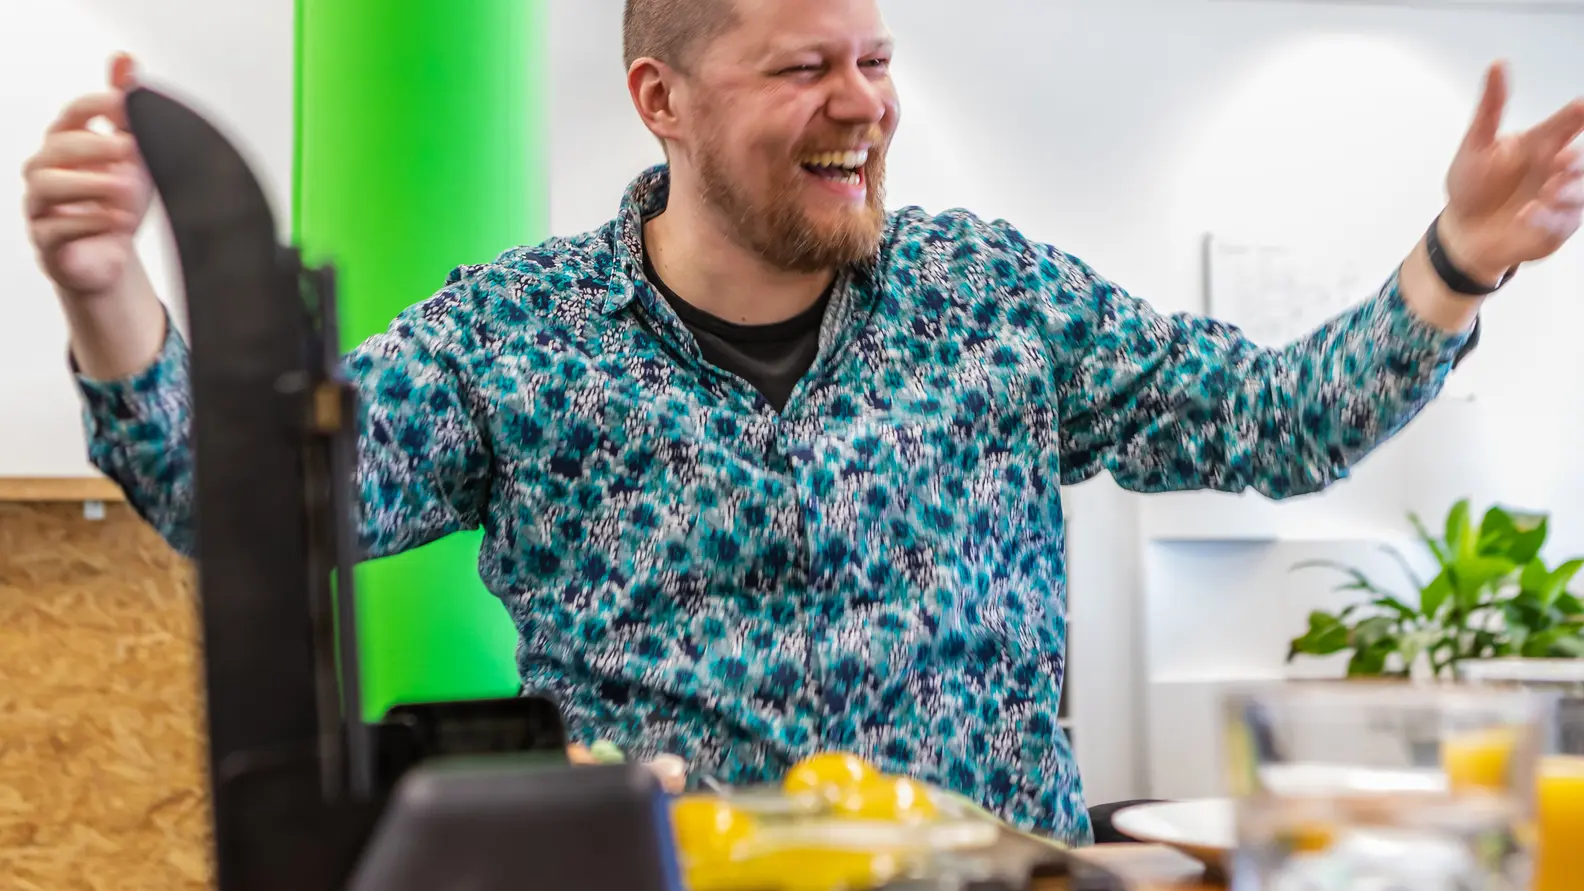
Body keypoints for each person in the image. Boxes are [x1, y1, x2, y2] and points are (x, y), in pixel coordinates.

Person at [21, 0, 1584, 847]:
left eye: (878, 60)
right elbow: (254, 505)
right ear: (663, 99)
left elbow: (1276, 423)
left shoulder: (993, 295)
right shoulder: (516, 333)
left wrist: (1452, 263)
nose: (863, 102)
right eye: (805, 67)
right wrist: (106, 291)